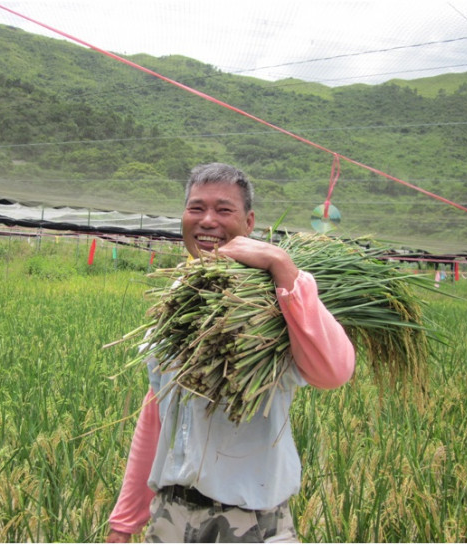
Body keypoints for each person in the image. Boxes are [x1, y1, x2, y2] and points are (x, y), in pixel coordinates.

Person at [106, 163, 355, 543]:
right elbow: (159, 410)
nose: (207, 221)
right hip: (171, 516)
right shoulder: (176, 296)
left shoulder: (274, 299)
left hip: (251, 521)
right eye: (196, 208)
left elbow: (335, 372)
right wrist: (125, 522)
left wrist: (283, 267)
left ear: (249, 222)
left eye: (224, 210)